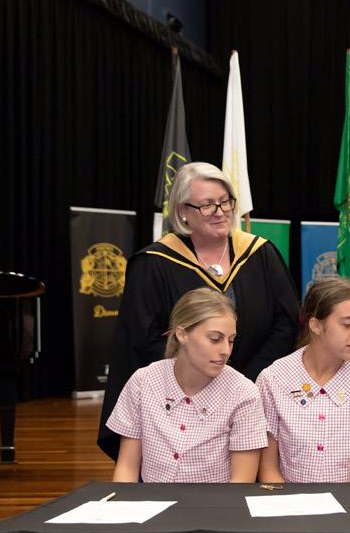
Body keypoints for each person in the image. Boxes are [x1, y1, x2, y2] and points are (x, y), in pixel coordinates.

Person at [99, 162, 299, 460]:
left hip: (253, 389)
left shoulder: (260, 253)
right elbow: (142, 338)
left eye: (225, 201)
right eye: (207, 205)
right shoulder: (154, 263)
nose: (220, 211)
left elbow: (286, 322)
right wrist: (198, 377)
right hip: (181, 398)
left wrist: (246, 379)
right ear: (182, 211)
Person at [107, 288, 268, 483]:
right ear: (182, 334)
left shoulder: (244, 393)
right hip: (152, 500)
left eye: (231, 341)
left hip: (217, 503)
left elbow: (241, 482)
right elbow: (127, 467)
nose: (226, 350)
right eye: (215, 339)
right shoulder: (143, 381)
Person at [256, 279, 350, 483]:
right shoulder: (273, 378)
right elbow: (268, 468)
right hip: (288, 499)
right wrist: (287, 502)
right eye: (347, 324)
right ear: (316, 326)